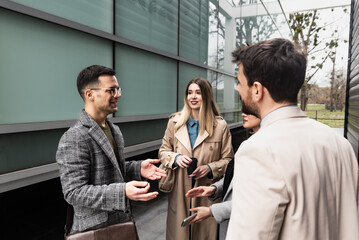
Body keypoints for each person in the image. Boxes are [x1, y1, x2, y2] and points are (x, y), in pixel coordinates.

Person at [227, 38, 359, 239]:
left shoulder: (257, 150)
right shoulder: (341, 145)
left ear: (256, 90)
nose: (237, 89)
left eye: (239, 82)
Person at [56, 65, 166, 234]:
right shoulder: (74, 137)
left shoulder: (113, 129)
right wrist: (122, 191)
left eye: (118, 89)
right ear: (90, 94)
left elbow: (112, 168)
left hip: (121, 223)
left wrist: (137, 168)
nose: (118, 95)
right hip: (94, 230)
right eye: (111, 90)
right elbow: (73, 192)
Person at [158, 77, 234, 240]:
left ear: (206, 96)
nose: (193, 97)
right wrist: (175, 157)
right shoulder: (175, 122)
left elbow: (229, 160)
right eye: (189, 92)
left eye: (198, 93)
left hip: (207, 193)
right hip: (180, 192)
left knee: (204, 234)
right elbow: (163, 151)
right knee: (179, 234)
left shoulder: (220, 126)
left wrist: (210, 168)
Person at [185, 113, 261, 240]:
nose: (243, 113)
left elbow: (256, 200)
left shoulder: (262, 148)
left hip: (245, 225)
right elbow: (235, 177)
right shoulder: (249, 142)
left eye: (250, 110)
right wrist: (215, 188)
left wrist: (212, 211)